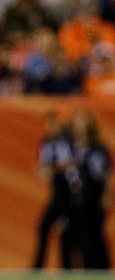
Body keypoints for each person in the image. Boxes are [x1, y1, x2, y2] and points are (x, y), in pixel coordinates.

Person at [31, 110, 77, 270]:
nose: (50, 127)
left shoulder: (69, 139)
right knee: (45, 226)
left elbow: (73, 163)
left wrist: (53, 168)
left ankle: (67, 268)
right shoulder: (47, 142)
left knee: (67, 229)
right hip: (57, 189)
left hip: (71, 190)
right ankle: (38, 267)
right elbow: (44, 166)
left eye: (53, 123)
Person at [68, 109, 112, 270]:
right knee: (81, 232)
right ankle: (88, 266)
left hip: (95, 191)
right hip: (79, 193)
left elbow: (107, 174)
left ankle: (101, 267)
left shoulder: (99, 148)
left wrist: (108, 195)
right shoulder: (73, 147)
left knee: (95, 231)